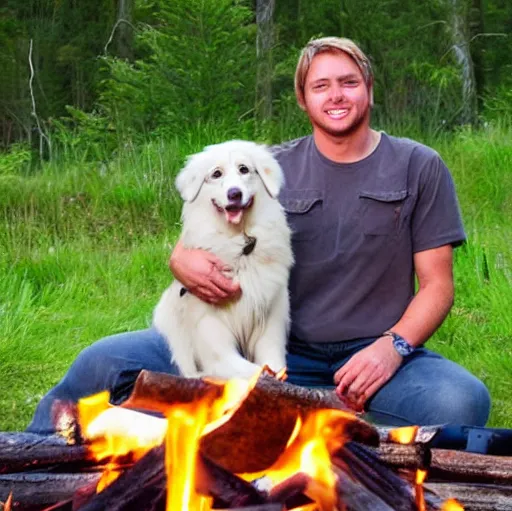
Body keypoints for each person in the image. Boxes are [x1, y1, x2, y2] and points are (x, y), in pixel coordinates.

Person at [27, 37, 490, 434]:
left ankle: (321, 420)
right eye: (320, 85)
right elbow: (199, 226)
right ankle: (25, 463)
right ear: (302, 98)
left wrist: (391, 350)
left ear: (369, 88)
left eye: (349, 82)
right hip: (261, 346)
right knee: (101, 362)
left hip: (373, 356)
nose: (337, 95)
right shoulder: (265, 166)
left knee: (460, 403)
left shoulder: (417, 165)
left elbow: (438, 285)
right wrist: (179, 260)